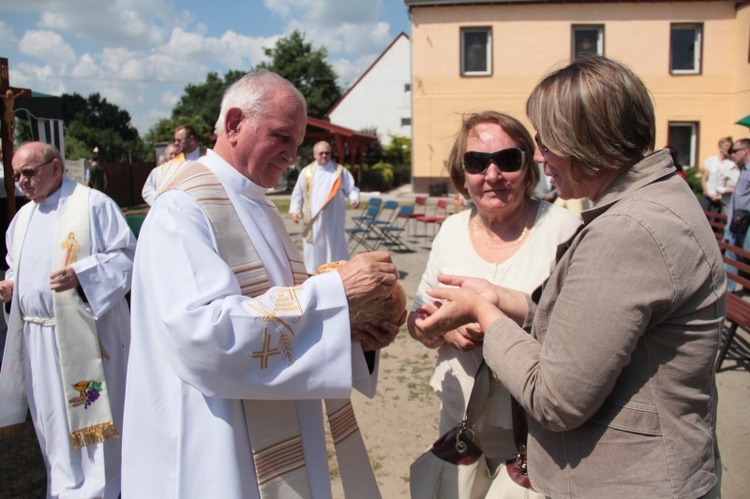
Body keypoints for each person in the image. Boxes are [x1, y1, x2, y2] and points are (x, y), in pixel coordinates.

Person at [413, 55, 724, 498]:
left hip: (633, 479)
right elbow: (591, 324)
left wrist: (485, 312)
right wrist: (499, 297)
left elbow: (557, 398)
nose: (540, 155)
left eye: (545, 141)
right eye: (478, 162)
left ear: (587, 140)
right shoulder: (654, 204)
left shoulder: (626, 230)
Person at [121, 69, 404, 498]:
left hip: (276, 422)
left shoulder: (261, 208)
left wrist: (355, 338)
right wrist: (335, 294)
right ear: (234, 124)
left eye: (298, 142)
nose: (293, 155)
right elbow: (204, 336)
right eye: (282, 137)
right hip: (216, 435)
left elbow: (291, 317)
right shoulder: (182, 209)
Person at [408, 111, 580, 468]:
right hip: (459, 421)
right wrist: (441, 329)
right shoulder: (451, 230)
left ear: (529, 167)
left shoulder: (564, 231)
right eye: (477, 162)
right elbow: (418, 317)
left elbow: (583, 336)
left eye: (507, 160)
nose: (492, 175)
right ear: (463, 173)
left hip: (536, 432)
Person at [0, 142, 135, 498]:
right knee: (51, 420)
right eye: (16, 176)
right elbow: (20, 266)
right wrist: (12, 287)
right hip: (38, 340)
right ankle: (62, 488)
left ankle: (106, 490)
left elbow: (128, 260)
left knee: (96, 418)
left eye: (28, 172)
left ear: (56, 167)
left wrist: (83, 274)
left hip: (89, 336)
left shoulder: (93, 205)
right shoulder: (22, 220)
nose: (22, 182)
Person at [289, 141, 361, 274]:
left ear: (330, 154)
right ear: (315, 155)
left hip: (333, 220)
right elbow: (297, 194)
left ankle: (336, 274)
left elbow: (351, 189)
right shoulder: (306, 173)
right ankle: (313, 274)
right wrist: (294, 210)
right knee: (314, 249)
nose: (324, 155)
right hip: (313, 222)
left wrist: (354, 198)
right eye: (321, 153)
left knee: (334, 249)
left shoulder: (339, 172)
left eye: (327, 153)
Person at [724, 138, 750, 293]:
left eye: (735, 151)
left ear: (745, 151)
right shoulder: (744, 170)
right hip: (738, 223)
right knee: (732, 254)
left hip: (746, 223)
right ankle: (727, 294)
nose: (731, 154)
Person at [701, 136, 737, 215]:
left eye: (730, 146)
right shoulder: (711, 160)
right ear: (720, 147)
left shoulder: (731, 164)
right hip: (708, 196)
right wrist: (708, 193)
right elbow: (704, 179)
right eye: (726, 146)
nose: (728, 148)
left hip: (720, 198)